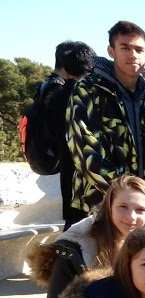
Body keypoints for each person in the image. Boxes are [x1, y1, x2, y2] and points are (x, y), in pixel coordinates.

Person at [67, 21, 145, 218]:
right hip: (98, 205)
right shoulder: (88, 89)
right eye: (125, 47)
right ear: (111, 51)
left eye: (139, 49)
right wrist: (124, 196)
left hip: (141, 209)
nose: (132, 54)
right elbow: (84, 147)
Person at [40, 41, 95, 229]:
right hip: (78, 174)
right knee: (79, 230)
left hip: (66, 170)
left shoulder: (48, 87)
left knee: (74, 228)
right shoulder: (71, 93)